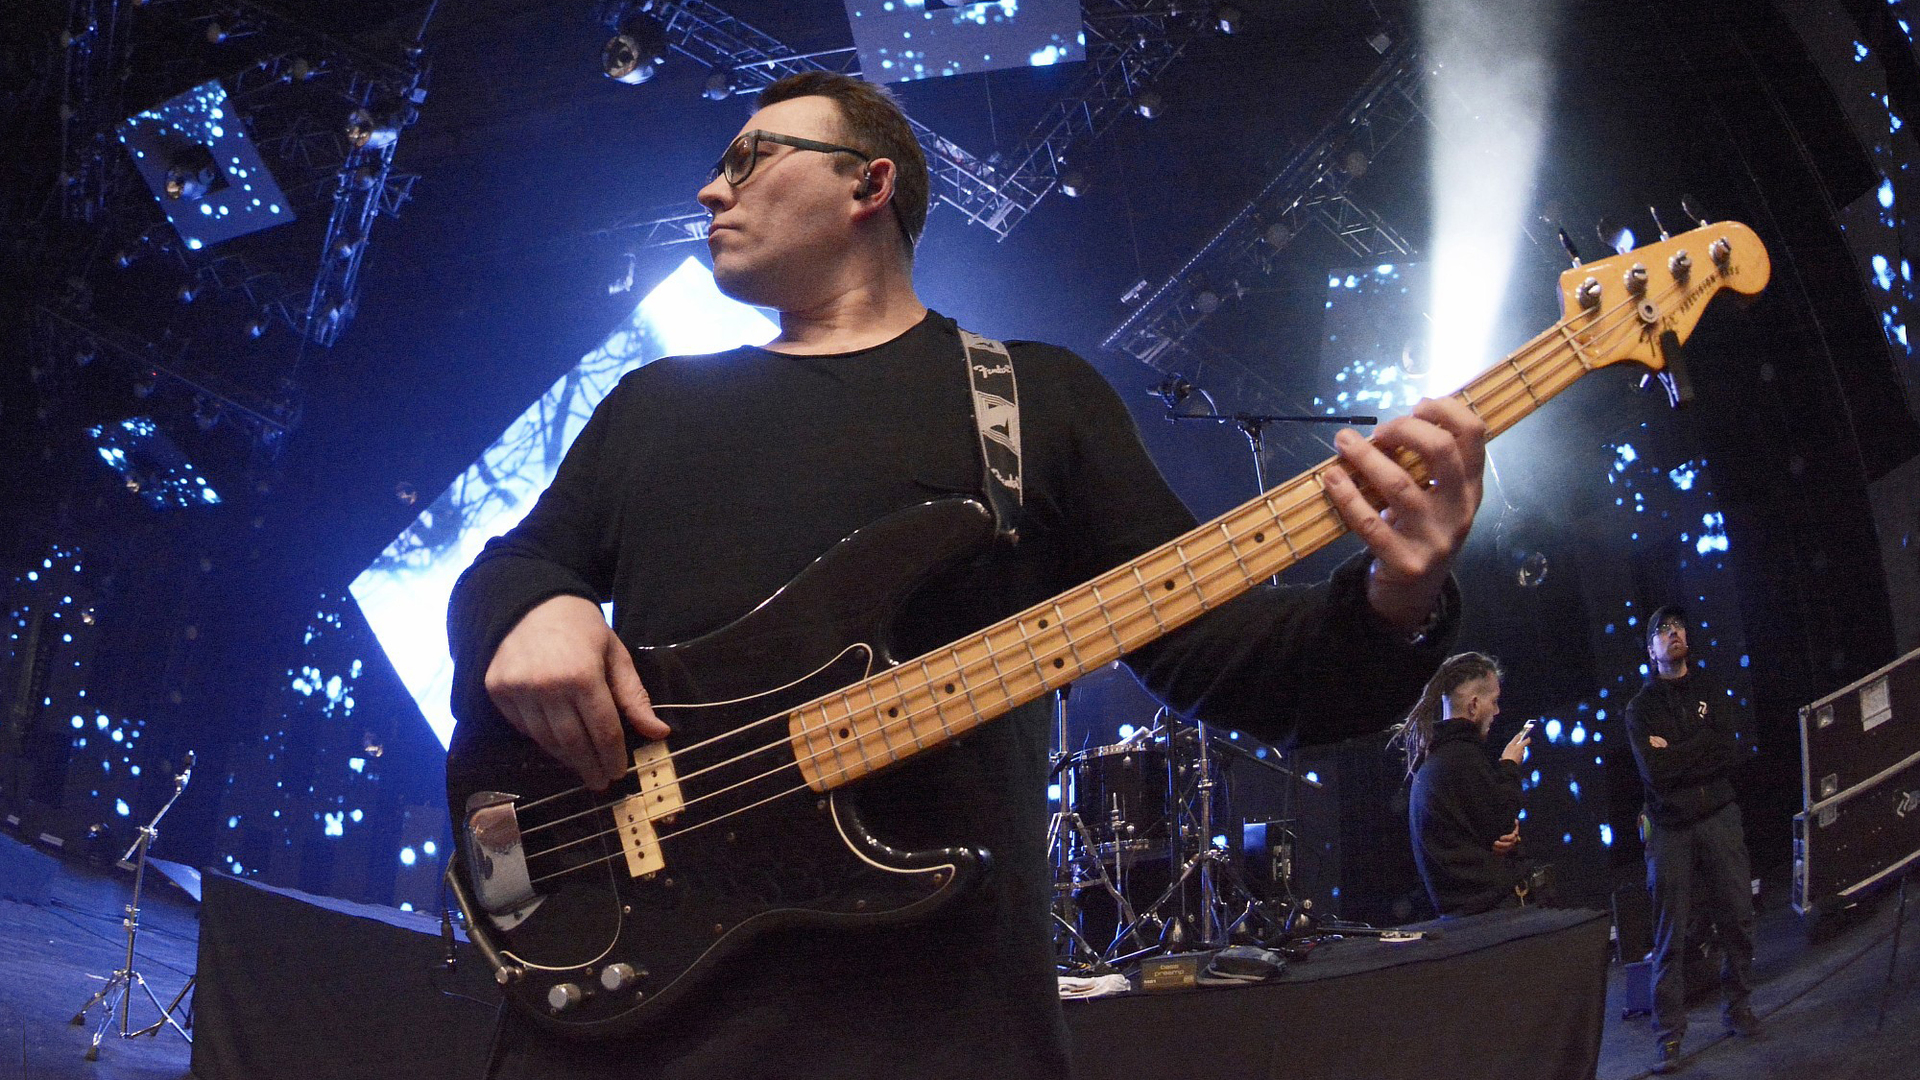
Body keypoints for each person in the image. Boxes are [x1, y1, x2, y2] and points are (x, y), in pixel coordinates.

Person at [446, 71, 1488, 1080]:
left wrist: (1397, 598)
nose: (712, 189)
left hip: (933, 1028)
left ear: (869, 183)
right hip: (637, 1024)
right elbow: (515, 565)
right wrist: (532, 609)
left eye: (751, 157)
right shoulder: (654, 404)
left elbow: (1229, 657)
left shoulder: (1029, 399)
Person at [1625, 604, 1759, 1075]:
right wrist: (1698, 748)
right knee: (1671, 933)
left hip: (1719, 815)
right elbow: (1656, 773)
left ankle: (1738, 1006)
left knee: (1737, 915)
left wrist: (1678, 751)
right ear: (1651, 650)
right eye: (1663, 630)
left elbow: (1728, 751)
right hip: (1670, 828)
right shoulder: (1641, 710)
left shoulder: (1710, 689)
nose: (1673, 633)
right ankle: (1669, 1034)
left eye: (1678, 626)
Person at [1398, 652, 1535, 916]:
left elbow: (1486, 827)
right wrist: (1509, 765)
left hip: (1462, 916)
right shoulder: (1462, 757)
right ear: (1474, 705)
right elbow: (1501, 819)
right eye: (1494, 702)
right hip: (1489, 916)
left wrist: (1504, 834)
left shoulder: (1435, 760)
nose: (1497, 711)